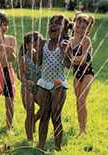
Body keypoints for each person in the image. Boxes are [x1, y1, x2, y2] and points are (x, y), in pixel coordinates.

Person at [36, 15, 72, 151]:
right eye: (51, 23)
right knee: (44, 114)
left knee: (55, 116)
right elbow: (38, 62)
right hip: (44, 83)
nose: (53, 25)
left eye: (58, 24)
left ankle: (57, 147)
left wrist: (64, 52)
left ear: (64, 30)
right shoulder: (44, 43)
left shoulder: (65, 45)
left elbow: (69, 66)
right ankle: (41, 146)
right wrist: (37, 51)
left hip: (58, 84)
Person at [65, 13, 95, 135]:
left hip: (87, 73)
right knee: (78, 101)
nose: (80, 29)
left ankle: (83, 129)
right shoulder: (70, 41)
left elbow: (83, 59)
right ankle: (80, 126)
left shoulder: (86, 40)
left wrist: (72, 58)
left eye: (84, 27)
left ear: (87, 29)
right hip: (76, 73)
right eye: (78, 26)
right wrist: (71, 58)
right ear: (74, 25)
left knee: (82, 99)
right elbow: (67, 59)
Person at [19, 31, 43, 141]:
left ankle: (34, 120)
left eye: (39, 44)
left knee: (45, 107)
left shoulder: (42, 58)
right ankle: (30, 140)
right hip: (27, 88)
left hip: (39, 87)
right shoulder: (24, 58)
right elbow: (20, 75)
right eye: (34, 44)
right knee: (29, 112)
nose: (36, 47)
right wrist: (26, 81)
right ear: (27, 45)